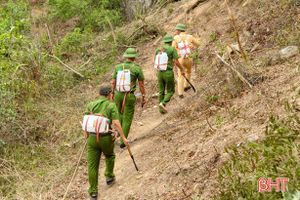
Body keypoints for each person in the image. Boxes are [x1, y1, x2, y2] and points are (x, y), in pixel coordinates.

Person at [84, 85, 129, 200]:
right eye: (112, 94)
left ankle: (93, 192)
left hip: (92, 138)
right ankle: (109, 176)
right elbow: (116, 123)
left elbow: (85, 121)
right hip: (105, 137)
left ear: (99, 94)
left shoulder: (90, 105)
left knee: (92, 165)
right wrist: (123, 137)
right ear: (110, 94)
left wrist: (86, 136)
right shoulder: (111, 105)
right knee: (109, 155)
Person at [111, 48, 146, 148]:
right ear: (134, 57)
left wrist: (112, 93)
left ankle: (118, 135)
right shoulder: (136, 68)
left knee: (119, 115)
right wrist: (143, 96)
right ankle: (123, 141)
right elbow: (141, 84)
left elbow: (113, 82)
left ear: (126, 56)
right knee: (127, 118)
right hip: (129, 95)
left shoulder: (118, 67)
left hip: (118, 94)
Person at [154, 35, 185, 114]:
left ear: (164, 41)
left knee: (161, 91)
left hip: (160, 73)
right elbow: (176, 61)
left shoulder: (158, 49)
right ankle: (163, 103)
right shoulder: (172, 49)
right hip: (168, 73)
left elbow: (155, 61)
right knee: (171, 90)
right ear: (171, 42)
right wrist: (182, 69)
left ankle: (161, 110)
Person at [172, 23, 200, 98]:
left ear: (178, 30)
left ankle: (180, 93)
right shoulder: (190, 37)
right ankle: (186, 86)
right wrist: (192, 45)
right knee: (188, 71)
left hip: (180, 59)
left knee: (180, 75)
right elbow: (198, 44)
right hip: (189, 58)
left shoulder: (176, 38)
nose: (176, 31)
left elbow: (172, 49)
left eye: (176, 30)